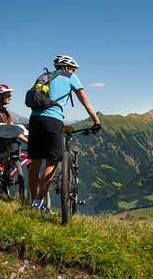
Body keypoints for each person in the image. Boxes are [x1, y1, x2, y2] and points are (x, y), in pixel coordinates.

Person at [28, 55, 101, 214]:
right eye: (73, 69)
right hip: (52, 121)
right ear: (68, 67)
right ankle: (39, 204)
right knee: (52, 162)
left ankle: (32, 201)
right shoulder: (71, 77)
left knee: (35, 163)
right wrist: (96, 121)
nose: (74, 71)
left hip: (34, 120)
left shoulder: (43, 77)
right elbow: (85, 101)